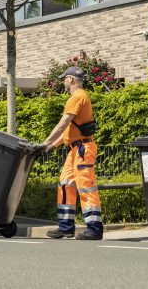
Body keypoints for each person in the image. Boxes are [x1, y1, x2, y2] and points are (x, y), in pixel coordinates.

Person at [41, 66, 103, 240]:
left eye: (64, 79)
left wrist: (45, 142)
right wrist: (52, 146)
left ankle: (95, 229)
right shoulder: (80, 97)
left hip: (82, 149)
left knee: (86, 187)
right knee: (65, 184)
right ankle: (65, 228)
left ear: (71, 79)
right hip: (75, 149)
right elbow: (69, 130)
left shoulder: (77, 97)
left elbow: (62, 124)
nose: (63, 82)